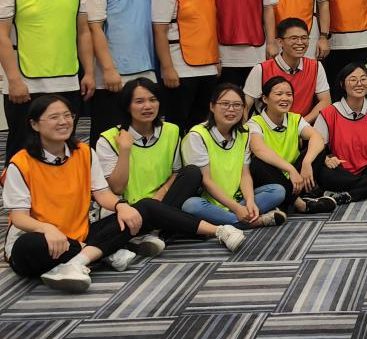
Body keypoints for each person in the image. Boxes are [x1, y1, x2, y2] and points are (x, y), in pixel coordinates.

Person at [3, 96, 241, 293]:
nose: (63, 122)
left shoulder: (84, 152)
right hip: (37, 239)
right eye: (54, 117)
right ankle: (105, 251)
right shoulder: (20, 163)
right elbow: (20, 218)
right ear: (35, 124)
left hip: (80, 232)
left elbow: (103, 194)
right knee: (33, 246)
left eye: (68, 115)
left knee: (142, 209)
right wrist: (47, 229)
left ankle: (219, 230)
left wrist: (120, 206)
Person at [96, 78, 246, 255]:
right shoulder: (108, 139)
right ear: (127, 106)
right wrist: (125, 150)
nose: (148, 106)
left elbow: (176, 172)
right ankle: (207, 229)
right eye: (139, 101)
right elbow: (116, 188)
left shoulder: (171, 130)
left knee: (192, 172)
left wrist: (162, 192)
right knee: (152, 208)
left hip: (164, 201)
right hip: (129, 208)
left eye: (153, 100)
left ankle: (148, 233)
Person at [0, 0, 94, 162]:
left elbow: (83, 32)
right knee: (24, 149)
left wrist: (89, 73)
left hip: (68, 80)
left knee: (65, 145)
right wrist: (13, 80)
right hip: (26, 85)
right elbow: (1, 35)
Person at [82, 0, 157, 140]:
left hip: (146, 69)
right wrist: (108, 70)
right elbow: (94, 29)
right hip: (113, 75)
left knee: (144, 132)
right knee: (109, 135)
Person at [181, 84, 287, 229]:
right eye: (225, 104)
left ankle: (228, 219)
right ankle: (254, 222)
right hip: (209, 203)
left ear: (244, 109)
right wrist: (237, 209)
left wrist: (249, 201)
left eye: (237, 105)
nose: (231, 109)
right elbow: (206, 181)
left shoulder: (244, 133)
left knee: (278, 191)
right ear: (212, 106)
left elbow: (245, 174)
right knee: (190, 205)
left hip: (238, 200)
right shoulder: (197, 135)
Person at [152, 0, 220, 134]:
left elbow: (208, 26)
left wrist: (216, 59)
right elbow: (160, 32)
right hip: (181, 69)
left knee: (202, 123)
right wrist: (167, 68)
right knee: (177, 124)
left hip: (208, 66)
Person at [246, 76, 335, 215]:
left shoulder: (295, 118)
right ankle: (300, 204)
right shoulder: (254, 123)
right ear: (265, 99)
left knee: (317, 150)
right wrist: (290, 169)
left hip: (296, 179)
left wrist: (306, 162)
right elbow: (259, 149)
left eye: (289, 94)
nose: (285, 98)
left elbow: (317, 137)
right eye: (279, 94)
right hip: (271, 178)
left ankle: (286, 202)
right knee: (257, 163)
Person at [314, 64, 367, 203]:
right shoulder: (328, 113)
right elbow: (316, 150)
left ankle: (349, 194)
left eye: (363, 79)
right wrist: (326, 159)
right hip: (340, 169)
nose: (359, 83)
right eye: (353, 79)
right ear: (342, 84)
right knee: (322, 170)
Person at [244, 18, 331, 124]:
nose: (300, 42)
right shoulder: (261, 69)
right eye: (294, 38)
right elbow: (246, 105)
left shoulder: (316, 66)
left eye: (304, 38)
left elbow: (325, 101)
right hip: (266, 127)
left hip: (302, 125)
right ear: (280, 42)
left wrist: (300, 125)